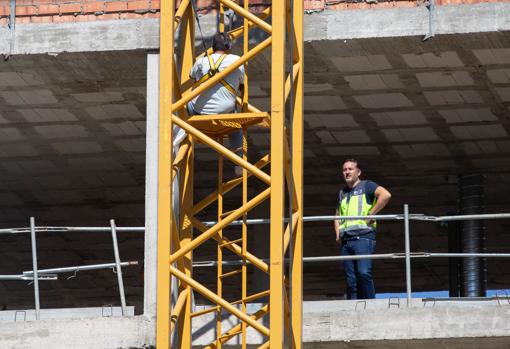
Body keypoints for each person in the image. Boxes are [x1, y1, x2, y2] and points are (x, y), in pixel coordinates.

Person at [334, 158, 391, 299]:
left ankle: (370, 305)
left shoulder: (367, 186)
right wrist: (337, 233)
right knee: (351, 280)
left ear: (358, 172)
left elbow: (385, 195)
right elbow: (336, 215)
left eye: (350, 169)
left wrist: (372, 214)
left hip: (363, 237)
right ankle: (354, 308)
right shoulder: (342, 193)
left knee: (364, 272)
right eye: (344, 170)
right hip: (346, 240)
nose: (347, 172)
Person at [188, 32, 244, 175]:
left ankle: (183, 134)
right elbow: (241, 84)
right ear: (228, 46)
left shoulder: (202, 62)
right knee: (235, 122)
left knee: (185, 101)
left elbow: (192, 76)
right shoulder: (236, 60)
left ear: (213, 47)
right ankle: (239, 161)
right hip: (225, 111)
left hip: (199, 111)